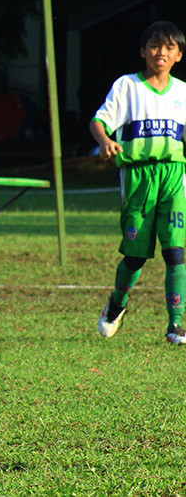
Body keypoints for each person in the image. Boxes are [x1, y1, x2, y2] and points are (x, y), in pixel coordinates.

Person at [92, 21, 186, 345]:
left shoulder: (182, 92)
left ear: (179, 55)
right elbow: (99, 121)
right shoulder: (126, 87)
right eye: (155, 46)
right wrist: (105, 140)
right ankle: (117, 304)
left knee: (176, 252)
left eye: (169, 47)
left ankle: (176, 324)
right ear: (143, 51)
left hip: (173, 175)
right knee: (136, 256)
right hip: (137, 178)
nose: (161, 52)